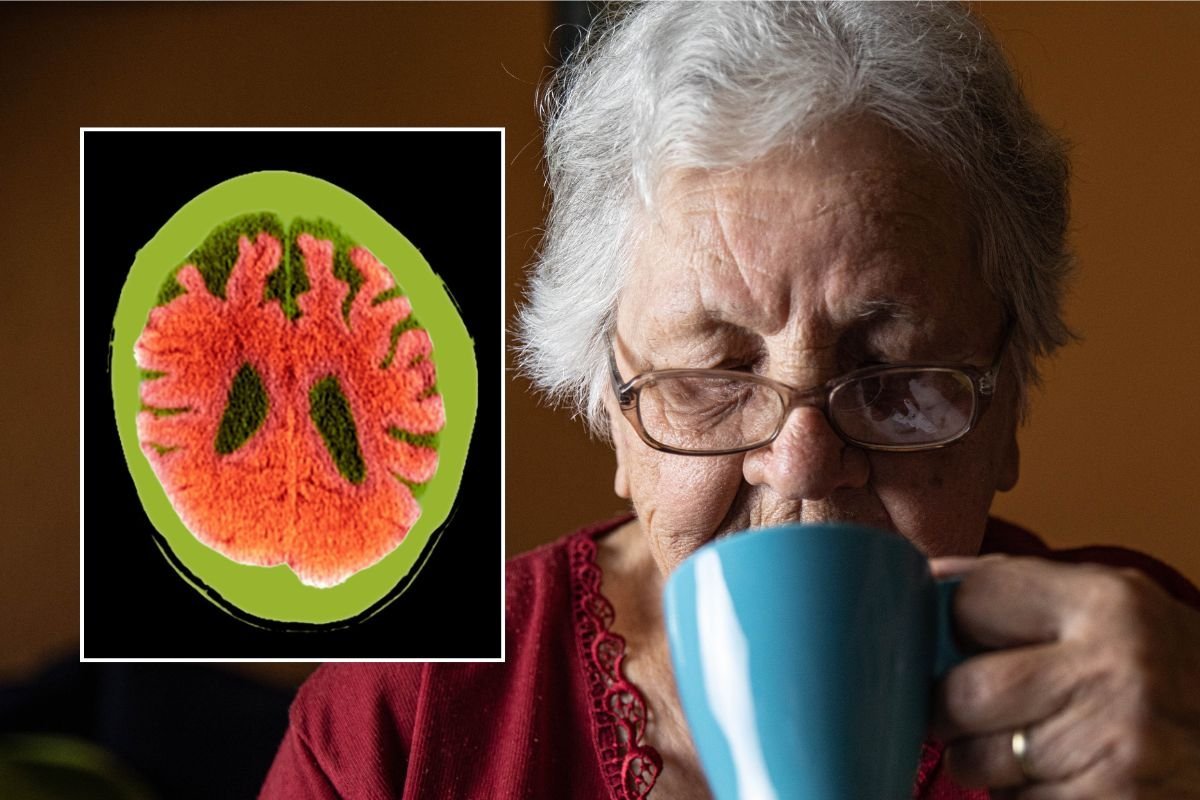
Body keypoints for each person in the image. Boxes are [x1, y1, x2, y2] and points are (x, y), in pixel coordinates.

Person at [261, 3, 1200, 798]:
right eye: (712, 380)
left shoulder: (1144, 672)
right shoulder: (400, 720)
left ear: (1008, 415)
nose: (801, 465)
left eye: (897, 379)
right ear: (612, 413)